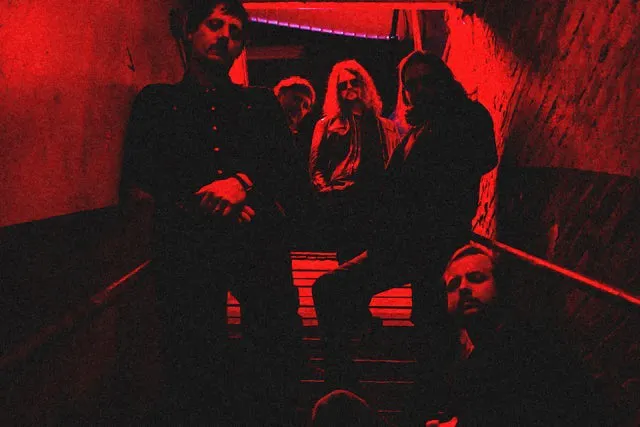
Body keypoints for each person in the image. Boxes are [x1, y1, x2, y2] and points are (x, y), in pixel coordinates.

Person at [120, 1, 303, 424]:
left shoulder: (260, 103)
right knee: (195, 353)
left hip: (257, 243)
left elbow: (290, 174)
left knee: (274, 342)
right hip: (191, 245)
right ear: (190, 31)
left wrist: (244, 185)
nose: (225, 36)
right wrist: (207, 202)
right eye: (215, 25)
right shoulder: (158, 101)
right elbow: (140, 174)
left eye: (235, 31)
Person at [312, 51, 497, 415]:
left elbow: (483, 158)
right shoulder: (414, 131)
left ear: (444, 79)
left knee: (433, 334)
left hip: (439, 244)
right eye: (410, 85)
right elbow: (391, 187)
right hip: (399, 244)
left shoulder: (466, 115)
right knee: (329, 289)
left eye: (427, 80)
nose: (418, 89)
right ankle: (344, 395)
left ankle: (427, 410)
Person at [433, 242, 612, 426]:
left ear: (500, 286)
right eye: (453, 285)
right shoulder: (470, 365)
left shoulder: (533, 342)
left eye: (476, 278)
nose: (463, 287)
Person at [309, 59, 400, 263]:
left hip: (376, 202)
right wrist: (328, 193)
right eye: (343, 85)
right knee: (348, 260)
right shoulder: (326, 125)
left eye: (354, 82)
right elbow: (316, 167)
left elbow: (395, 167)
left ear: (364, 85)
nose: (349, 87)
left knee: (376, 261)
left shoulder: (386, 126)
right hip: (344, 200)